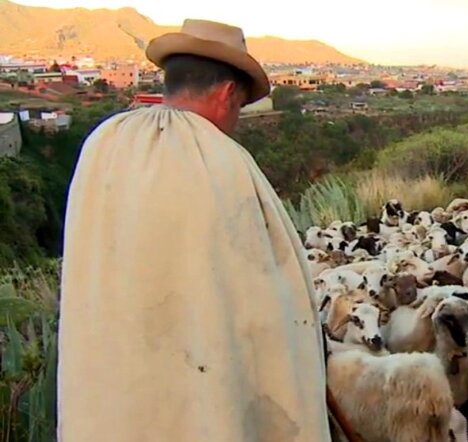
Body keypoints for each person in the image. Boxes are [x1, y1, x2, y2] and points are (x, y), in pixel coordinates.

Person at [57, 19, 333, 442]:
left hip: (109, 397)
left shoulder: (103, 144)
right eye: (239, 107)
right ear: (227, 94)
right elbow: (266, 298)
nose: (235, 120)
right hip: (199, 400)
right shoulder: (223, 161)